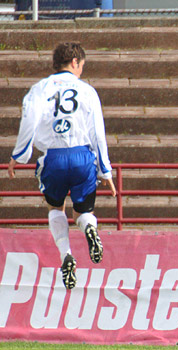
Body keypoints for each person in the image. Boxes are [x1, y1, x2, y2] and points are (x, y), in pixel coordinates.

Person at [7, 42, 116, 290]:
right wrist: (105, 170)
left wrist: (19, 155)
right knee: (83, 211)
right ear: (75, 62)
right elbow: (98, 133)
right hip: (82, 157)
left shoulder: (39, 89)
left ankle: (66, 255)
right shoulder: (87, 91)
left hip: (53, 158)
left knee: (55, 207)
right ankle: (89, 228)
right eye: (82, 67)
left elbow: (30, 120)